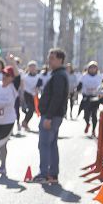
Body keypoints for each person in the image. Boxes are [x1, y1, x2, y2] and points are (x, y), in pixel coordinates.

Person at [32, 48, 69, 185]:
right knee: (52, 145)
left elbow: (57, 97)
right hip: (54, 115)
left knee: (45, 144)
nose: (49, 60)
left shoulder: (59, 75)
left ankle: (45, 173)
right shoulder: (58, 74)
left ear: (60, 60)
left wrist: (48, 116)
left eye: (52, 58)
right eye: (49, 57)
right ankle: (52, 174)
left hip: (51, 116)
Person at [0, 65, 21, 177]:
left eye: (7, 75)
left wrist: (12, 61)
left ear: (12, 78)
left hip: (8, 120)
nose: (4, 77)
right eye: (3, 74)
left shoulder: (13, 87)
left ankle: (3, 166)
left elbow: (18, 76)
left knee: (2, 144)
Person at [79, 61, 102, 135]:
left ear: (96, 69)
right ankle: (87, 123)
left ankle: (93, 130)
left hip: (95, 98)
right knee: (86, 114)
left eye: (94, 68)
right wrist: (77, 89)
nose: (92, 69)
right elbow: (80, 85)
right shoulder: (84, 76)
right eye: (91, 67)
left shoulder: (99, 77)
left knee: (94, 114)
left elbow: (102, 86)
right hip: (86, 97)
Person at [19, 61, 41, 132]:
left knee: (33, 110)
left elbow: (39, 85)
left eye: (34, 67)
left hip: (35, 95)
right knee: (30, 109)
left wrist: (37, 89)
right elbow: (22, 85)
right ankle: (24, 122)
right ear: (28, 68)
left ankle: (25, 122)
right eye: (31, 67)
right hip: (27, 94)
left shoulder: (39, 77)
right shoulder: (25, 77)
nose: (32, 69)